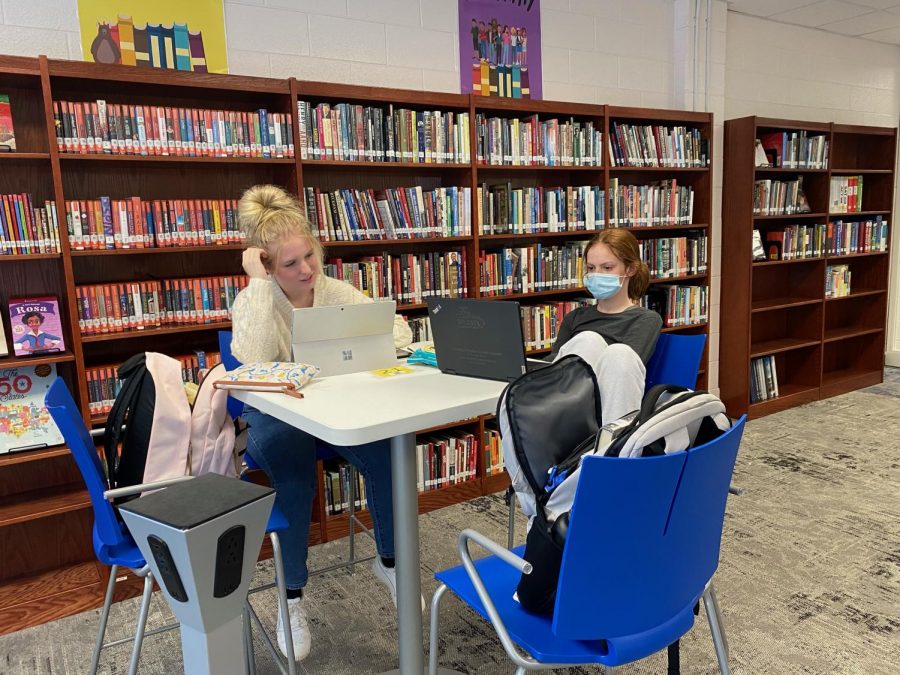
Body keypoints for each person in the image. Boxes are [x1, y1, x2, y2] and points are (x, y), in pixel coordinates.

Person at [230, 184, 414, 662]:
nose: (307, 270)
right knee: (292, 481)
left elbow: (398, 330)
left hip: (338, 409)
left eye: (309, 255)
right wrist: (256, 284)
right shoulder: (257, 298)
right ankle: (291, 597)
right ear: (267, 265)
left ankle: (391, 561)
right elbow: (250, 357)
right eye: (290, 264)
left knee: (390, 454)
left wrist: (367, 347)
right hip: (278, 414)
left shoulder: (334, 290)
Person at [550, 228, 662, 425]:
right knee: (587, 340)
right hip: (567, 406)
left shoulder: (646, 319)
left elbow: (622, 372)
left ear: (631, 269)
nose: (596, 275)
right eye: (591, 268)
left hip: (610, 405)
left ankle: (613, 446)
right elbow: (553, 367)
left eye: (607, 268)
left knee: (614, 351)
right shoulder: (574, 317)